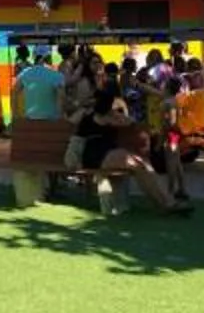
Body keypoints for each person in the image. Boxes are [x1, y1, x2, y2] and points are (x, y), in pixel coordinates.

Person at [80, 85, 190, 214]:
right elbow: (127, 122)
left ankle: (166, 201)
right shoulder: (98, 117)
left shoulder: (103, 115)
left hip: (107, 153)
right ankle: (166, 203)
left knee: (143, 165)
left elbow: (130, 122)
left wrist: (118, 111)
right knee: (137, 163)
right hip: (97, 156)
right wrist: (119, 112)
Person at [15, 47, 65, 124]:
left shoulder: (24, 74)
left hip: (30, 119)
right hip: (50, 120)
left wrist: (17, 117)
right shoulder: (57, 76)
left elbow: (15, 93)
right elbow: (61, 98)